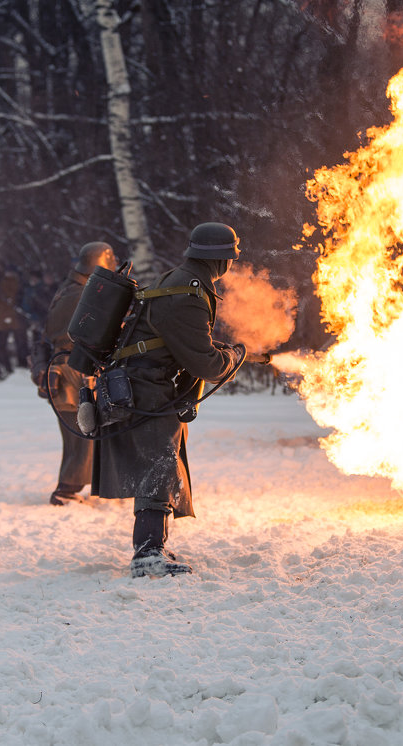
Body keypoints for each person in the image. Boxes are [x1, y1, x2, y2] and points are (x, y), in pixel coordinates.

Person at [91, 223, 245, 578]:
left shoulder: (177, 280)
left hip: (144, 384)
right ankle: (147, 554)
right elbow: (204, 363)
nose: (232, 265)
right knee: (158, 466)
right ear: (220, 259)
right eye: (230, 258)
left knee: (160, 463)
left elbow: (179, 345)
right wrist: (234, 357)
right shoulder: (189, 294)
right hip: (144, 388)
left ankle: (154, 544)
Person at [31, 242, 118, 505]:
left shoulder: (72, 289)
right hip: (72, 373)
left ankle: (75, 488)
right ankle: (65, 492)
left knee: (82, 435)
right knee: (81, 437)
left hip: (68, 370)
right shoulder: (80, 294)